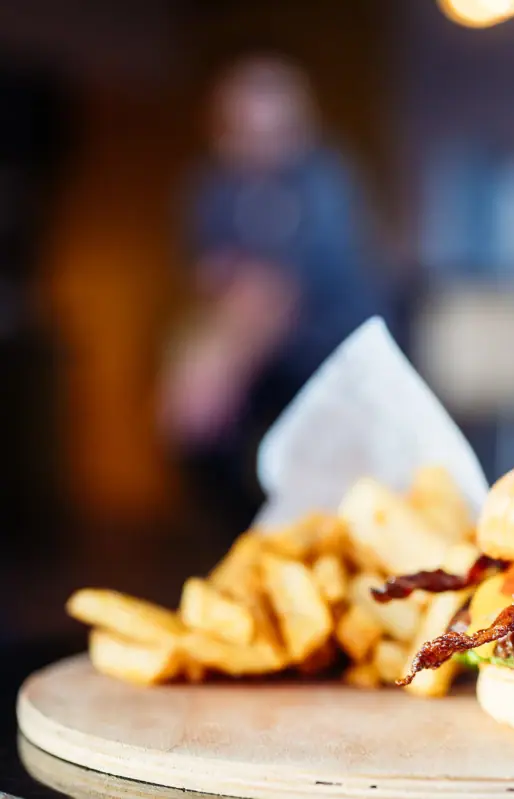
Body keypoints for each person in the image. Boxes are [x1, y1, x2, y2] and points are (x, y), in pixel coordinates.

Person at [160, 54, 381, 534]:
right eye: (243, 133)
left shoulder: (324, 180)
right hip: (257, 363)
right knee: (204, 447)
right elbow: (216, 283)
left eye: (274, 133)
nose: (259, 148)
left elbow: (282, 288)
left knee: (326, 490)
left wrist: (215, 366)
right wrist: (194, 360)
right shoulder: (211, 187)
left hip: (327, 358)